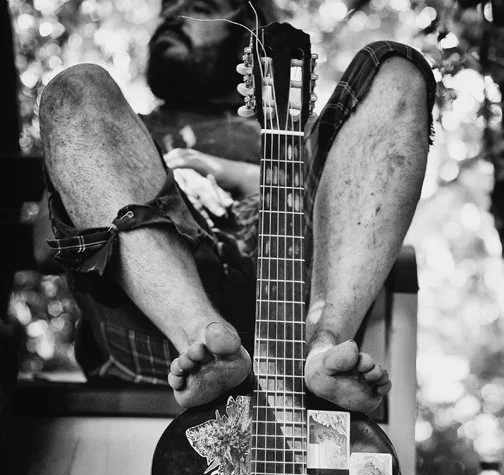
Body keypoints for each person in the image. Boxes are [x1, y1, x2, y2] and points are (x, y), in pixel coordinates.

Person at [37, 0, 435, 415]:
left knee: (396, 68)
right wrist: (161, 191)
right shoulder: (120, 130)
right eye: (168, 10)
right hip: (159, 333)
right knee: (75, 87)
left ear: (246, 27)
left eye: (197, 5)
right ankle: (204, 339)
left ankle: (324, 345)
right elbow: (47, 244)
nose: (173, 16)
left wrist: (228, 172)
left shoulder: (296, 132)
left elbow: (362, 207)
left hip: (297, 313)